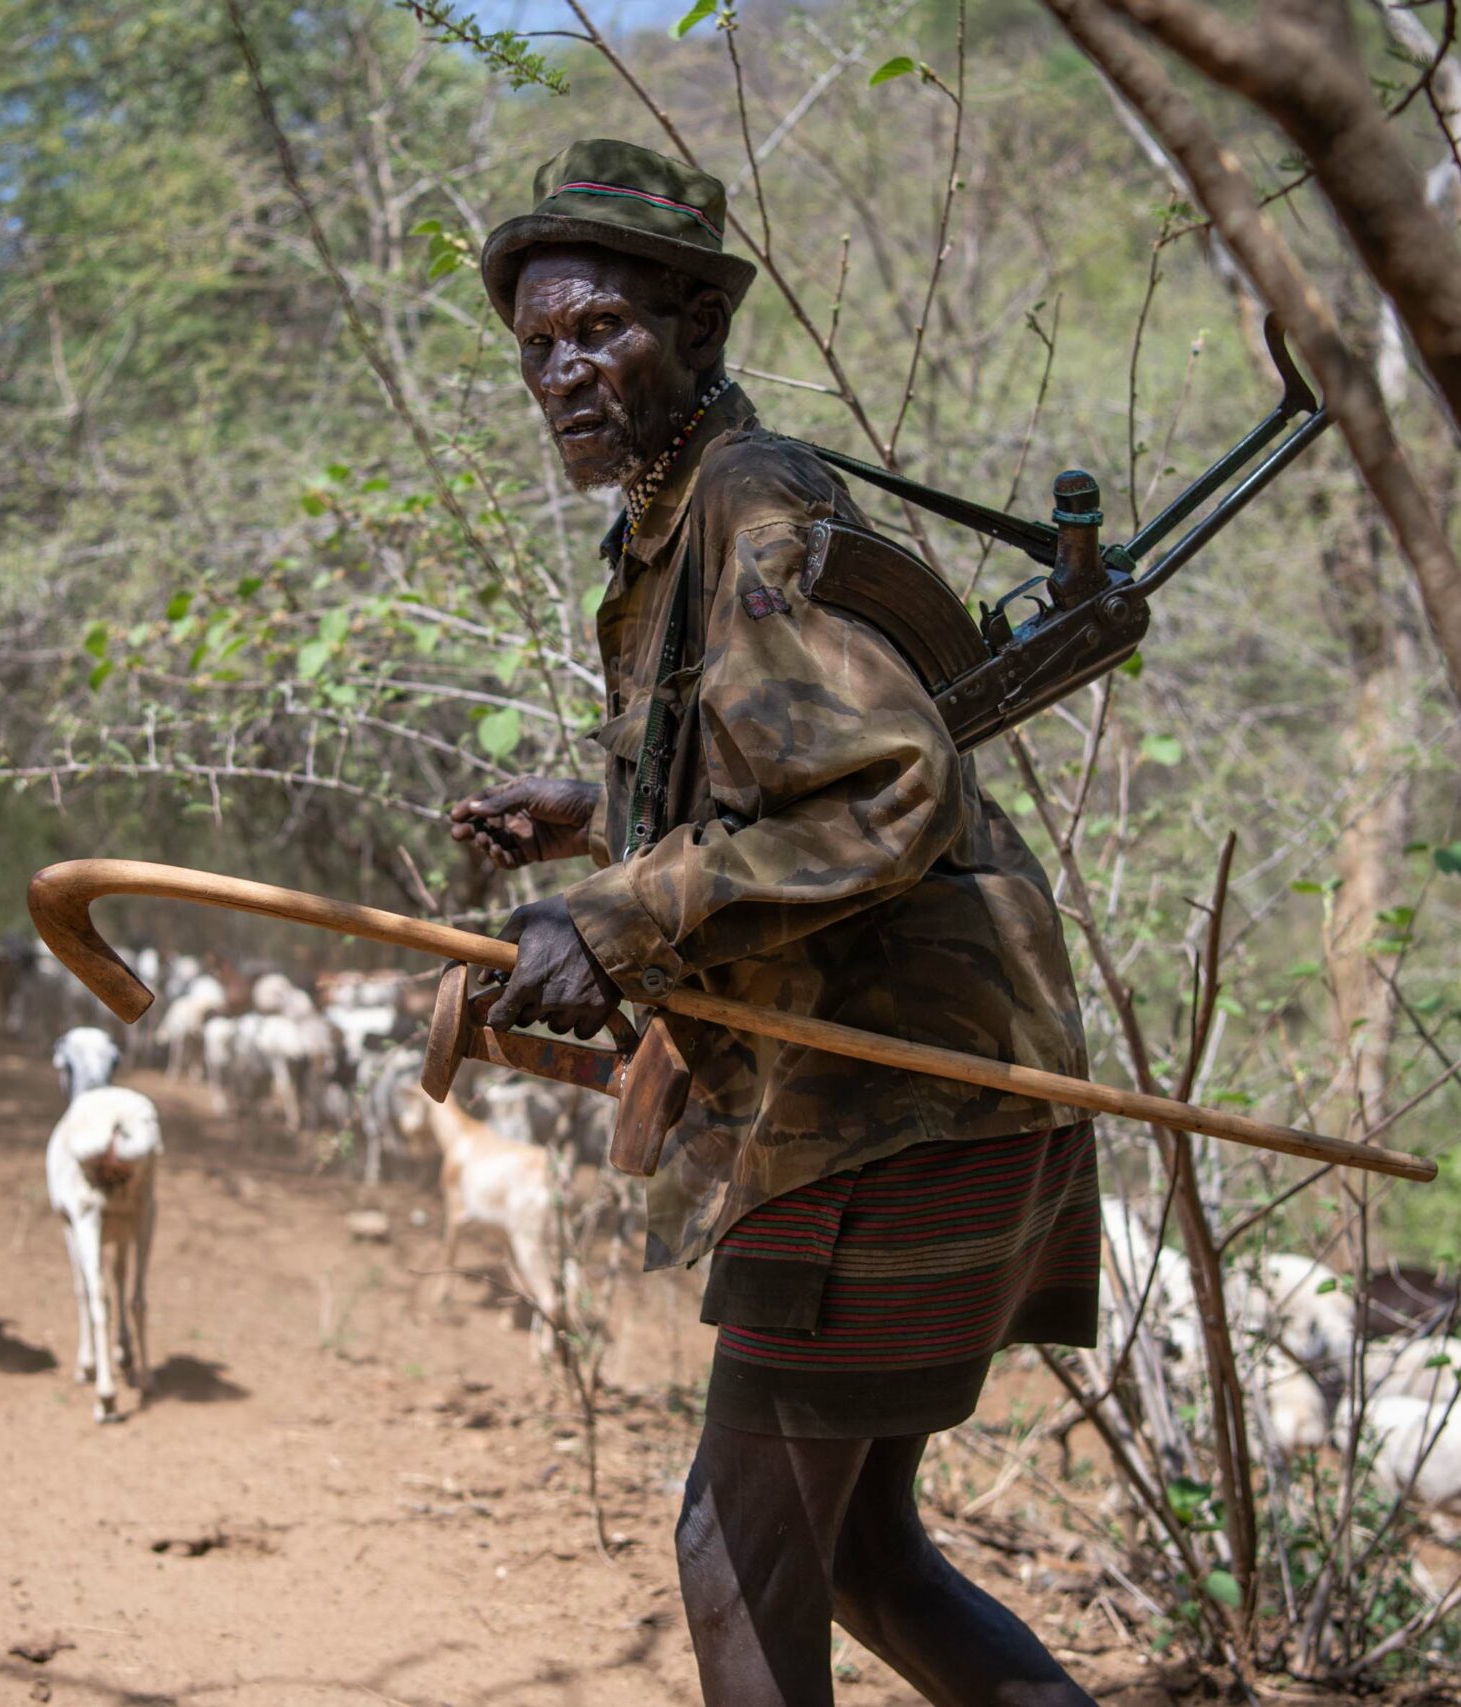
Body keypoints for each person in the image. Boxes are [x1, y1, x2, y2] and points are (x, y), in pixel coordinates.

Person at [450, 139, 1100, 1707]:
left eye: (600, 328)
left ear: (700, 329)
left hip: (888, 1098)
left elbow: (886, 793)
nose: (564, 370)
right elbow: (767, 783)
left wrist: (613, 910)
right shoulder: (680, 520)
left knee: (733, 1555)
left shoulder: (749, 506)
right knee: (865, 1549)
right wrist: (593, 812)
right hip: (936, 1082)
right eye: (540, 344)